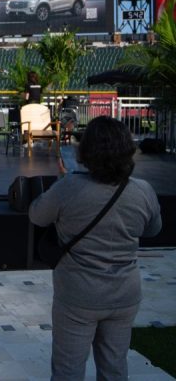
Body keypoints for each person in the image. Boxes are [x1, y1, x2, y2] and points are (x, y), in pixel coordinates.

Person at [29, 117, 161, 380]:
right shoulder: (143, 191)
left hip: (79, 295)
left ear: (86, 151)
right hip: (124, 293)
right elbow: (153, 230)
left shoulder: (68, 187)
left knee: (68, 370)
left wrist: (62, 184)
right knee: (114, 368)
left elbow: (36, 215)